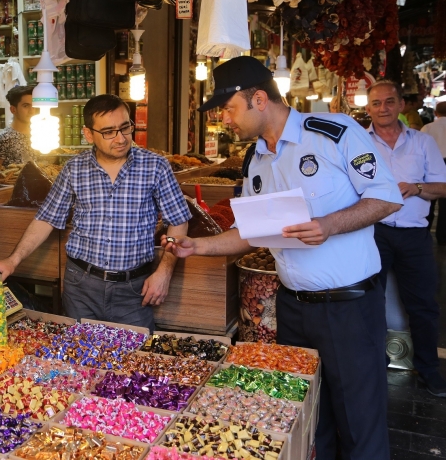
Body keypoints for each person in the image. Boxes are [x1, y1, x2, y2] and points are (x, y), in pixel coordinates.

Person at [163, 56, 403, 460]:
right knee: (309, 417)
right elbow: (252, 232)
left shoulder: (333, 133)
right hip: (292, 307)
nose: (225, 119)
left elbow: (386, 197)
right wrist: (200, 247)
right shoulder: (255, 160)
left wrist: (330, 224)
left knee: (360, 423)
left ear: (259, 99)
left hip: (349, 306)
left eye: (228, 108)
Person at [0, 94, 191, 332]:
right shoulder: (74, 169)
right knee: (77, 360)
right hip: (80, 285)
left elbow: (179, 221)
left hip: (133, 289)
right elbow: (46, 219)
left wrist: (164, 272)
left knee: (135, 360)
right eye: (109, 132)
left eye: (125, 127)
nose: (121, 138)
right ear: (89, 134)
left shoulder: (156, 166)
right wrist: (13, 259)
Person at [365, 80, 446, 397]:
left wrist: (417, 188)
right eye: (376, 103)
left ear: (401, 105)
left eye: (389, 102)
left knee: (424, 305)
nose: (382, 108)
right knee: (369, 301)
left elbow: (443, 186)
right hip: (373, 232)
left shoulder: (422, 142)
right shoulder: (359, 142)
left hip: (415, 235)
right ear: (368, 108)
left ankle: (428, 369)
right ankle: (375, 363)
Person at [0, 85, 37, 165]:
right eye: (26, 106)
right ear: (13, 109)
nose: (32, 111)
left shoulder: (39, 135)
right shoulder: (4, 139)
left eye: (34, 106)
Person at [424, 101, 446, 244]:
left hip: (433, 162)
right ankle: (443, 237)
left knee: (428, 198)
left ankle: (424, 233)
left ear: (436, 113)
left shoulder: (428, 127)